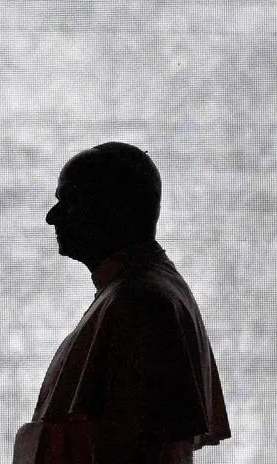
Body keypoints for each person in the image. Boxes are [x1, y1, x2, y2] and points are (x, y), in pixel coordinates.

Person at [12, 142, 231, 464]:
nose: (51, 217)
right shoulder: (135, 293)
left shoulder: (138, 303)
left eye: (69, 201)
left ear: (114, 207)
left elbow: (131, 448)